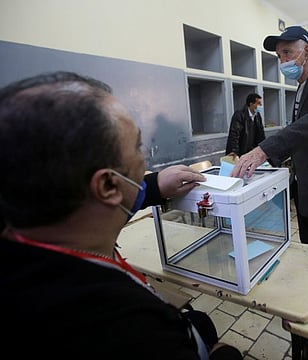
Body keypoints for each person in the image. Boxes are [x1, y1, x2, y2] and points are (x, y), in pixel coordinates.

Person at [0, 71, 242, 359]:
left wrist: (153, 187)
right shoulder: (126, 332)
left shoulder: (40, 226)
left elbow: (116, 198)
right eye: (138, 147)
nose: (146, 161)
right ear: (108, 185)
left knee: (202, 322)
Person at [231, 26, 308, 249]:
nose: (283, 61)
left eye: (288, 52)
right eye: (279, 56)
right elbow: (300, 135)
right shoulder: (302, 86)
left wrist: (264, 150)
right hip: (306, 191)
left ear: (307, 51)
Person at [225, 93, 265, 159]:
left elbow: (261, 134)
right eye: (258, 103)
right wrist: (234, 151)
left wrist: (263, 148)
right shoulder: (239, 115)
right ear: (251, 104)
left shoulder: (257, 116)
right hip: (241, 150)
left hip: (251, 151)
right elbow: (234, 134)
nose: (261, 106)